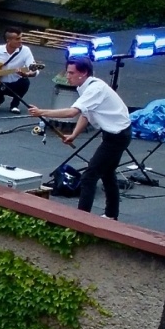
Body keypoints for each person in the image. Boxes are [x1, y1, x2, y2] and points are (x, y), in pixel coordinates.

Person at [30, 60, 133, 220]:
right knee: (107, 174)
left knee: (89, 176)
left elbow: (72, 112)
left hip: (117, 136)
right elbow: (86, 113)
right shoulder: (84, 87)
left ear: (83, 73)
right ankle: (111, 215)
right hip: (114, 133)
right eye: (67, 72)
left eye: (71, 73)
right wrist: (74, 134)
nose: (67, 76)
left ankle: (81, 219)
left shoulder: (94, 89)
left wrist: (41, 112)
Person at [0, 28, 38, 112]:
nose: (21, 41)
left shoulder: (25, 50)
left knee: (25, 82)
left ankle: (15, 104)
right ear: (8, 40)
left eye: (21, 38)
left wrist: (27, 74)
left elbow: (33, 69)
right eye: (17, 39)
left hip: (16, 82)